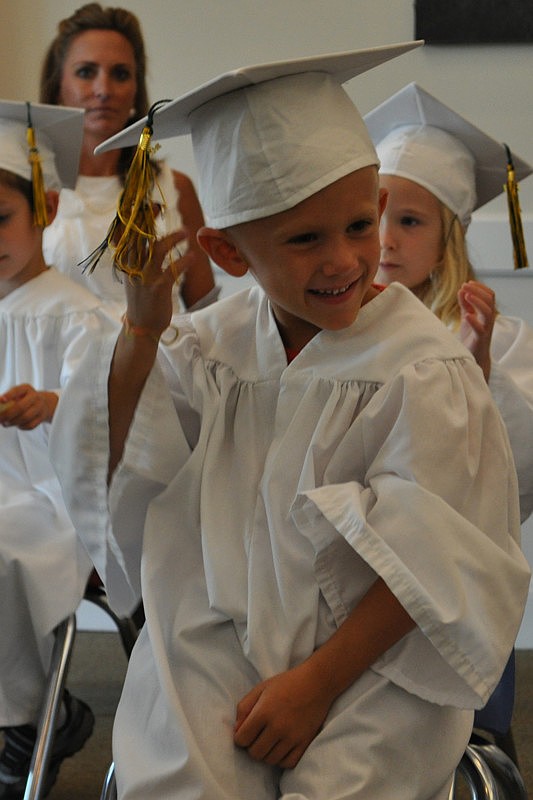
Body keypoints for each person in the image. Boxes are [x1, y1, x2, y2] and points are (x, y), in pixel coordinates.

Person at [50, 44, 531, 800]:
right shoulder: (208, 350)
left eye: (359, 225)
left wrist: (314, 685)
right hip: (217, 645)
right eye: (305, 239)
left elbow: (434, 562)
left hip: (376, 667)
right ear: (226, 251)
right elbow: (120, 465)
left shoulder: (420, 367)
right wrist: (140, 330)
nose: (343, 261)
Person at [0, 100, 115, 799]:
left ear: (43, 207)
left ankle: (27, 717)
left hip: (54, 494)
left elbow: (109, 410)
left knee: (5, 537)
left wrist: (51, 405)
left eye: (0, 218)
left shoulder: (78, 313)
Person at [364, 82, 533, 524]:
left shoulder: (501, 339)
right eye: (373, 217)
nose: (385, 239)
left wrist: (480, 372)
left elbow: (518, 472)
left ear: (447, 241)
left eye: (410, 221)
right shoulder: (339, 327)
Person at [40, 2, 218, 320]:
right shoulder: (29, 188)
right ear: (57, 88)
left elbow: (207, 317)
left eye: (120, 74)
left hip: (165, 352)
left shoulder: (175, 187)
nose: (103, 90)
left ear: (136, 91)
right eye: (86, 72)